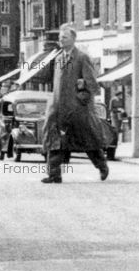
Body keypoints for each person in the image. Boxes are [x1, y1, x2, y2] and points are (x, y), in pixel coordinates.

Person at [39, 25, 108, 184]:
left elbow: (91, 83)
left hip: (77, 109)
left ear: (73, 39)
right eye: (60, 37)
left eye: (64, 37)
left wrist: (81, 98)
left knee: (87, 140)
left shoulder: (82, 58)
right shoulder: (57, 58)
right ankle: (54, 174)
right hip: (58, 108)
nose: (60, 40)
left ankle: (102, 165)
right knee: (54, 141)